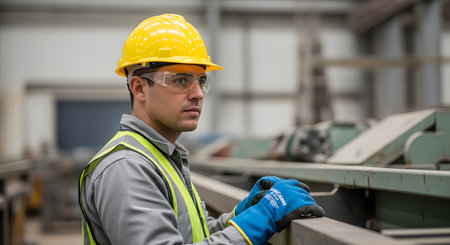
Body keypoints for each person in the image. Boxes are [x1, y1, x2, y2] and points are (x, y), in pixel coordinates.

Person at [78, 14, 324, 245]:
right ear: (139, 88)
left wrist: (244, 213)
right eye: (181, 80)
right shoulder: (127, 168)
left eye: (201, 81)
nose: (197, 94)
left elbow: (193, 236)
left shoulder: (161, 157)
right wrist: (261, 219)